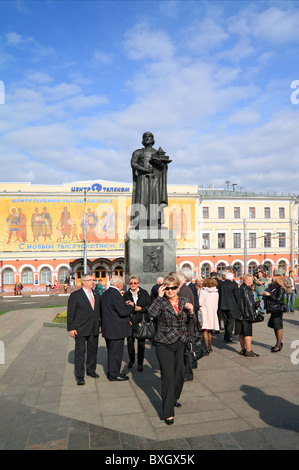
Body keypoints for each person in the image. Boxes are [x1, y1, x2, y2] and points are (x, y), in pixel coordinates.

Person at [148, 274, 194, 426]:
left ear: (178, 288)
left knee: (180, 375)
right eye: (168, 288)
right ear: (164, 288)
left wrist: (192, 312)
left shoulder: (184, 301)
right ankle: (168, 413)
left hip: (180, 341)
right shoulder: (160, 302)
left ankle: (173, 399)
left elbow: (191, 322)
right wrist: (159, 297)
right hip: (164, 343)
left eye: (173, 288)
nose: (171, 290)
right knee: (168, 377)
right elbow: (151, 314)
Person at [131, 132, 171, 228]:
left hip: (155, 180)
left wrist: (161, 164)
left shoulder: (157, 153)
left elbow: (163, 167)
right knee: (142, 199)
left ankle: (155, 221)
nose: (147, 138)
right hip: (142, 179)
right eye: (145, 137)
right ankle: (141, 221)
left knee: (154, 200)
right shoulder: (137, 152)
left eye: (150, 137)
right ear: (142, 140)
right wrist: (144, 169)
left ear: (153, 140)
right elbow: (133, 164)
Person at [67, 273, 101, 385]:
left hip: (94, 328)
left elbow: (97, 312)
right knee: (80, 353)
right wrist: (71, 328)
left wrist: (100, 325)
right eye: (90, 280)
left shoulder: (96, 294)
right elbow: (70, 313)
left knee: (93, 351)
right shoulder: (76, 295)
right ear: (83, 282)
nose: (93, 282)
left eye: (93, 280)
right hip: (80, 328)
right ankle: (80, 376)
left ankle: (91, 370)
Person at [100, 276, 134, 381]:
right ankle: (114, 374)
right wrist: (130, 306)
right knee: (116, 353)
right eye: (122, 284)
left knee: (111, 351)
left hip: (109, 328)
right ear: (119, 284)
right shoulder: (115, 294)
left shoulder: (105, 293)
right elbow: (122, 312)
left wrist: (124, 304)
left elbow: (112, 308)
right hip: (116, 329)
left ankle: (112, 372)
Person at [123, 275, 151, 372]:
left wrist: (141, 309)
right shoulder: (126, 294)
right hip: (130, 321)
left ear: (138, 283)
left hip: (141, 321)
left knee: (141, 343)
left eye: (135, 283)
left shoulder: (144, 293)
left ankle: (140, 363)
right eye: (131, 283)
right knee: (130, 342)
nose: (133, 285)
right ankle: (131, 360)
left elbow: (149, 306)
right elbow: (123, 308)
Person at [236, 274, 260, 357]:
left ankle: (243, 349)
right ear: (244, 280)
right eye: (248, 280)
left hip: (239, 314)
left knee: (241, 333)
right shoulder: (247, 289)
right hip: (246, 314)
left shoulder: (240, 288)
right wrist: (256, 304)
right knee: (247, 333)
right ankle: (248, 351)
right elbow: (249, 303)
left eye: (251, 280)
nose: (250, 281)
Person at [264, 274, 286, 352]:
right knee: (275, 326)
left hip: (278, 309)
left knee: (278, 326)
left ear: (277, 280)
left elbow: (279, 299)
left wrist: (269, 295)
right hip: (274, 309)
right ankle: (278, 342)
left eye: (273, 279)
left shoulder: (280, 288)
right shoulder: (273, 287)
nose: (272, 280)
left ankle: (279, 344)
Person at [217, 272, 240, 342]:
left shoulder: (220, 284)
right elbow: (237, 295)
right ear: (232, 278)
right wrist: (239, 304)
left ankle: (227, 335)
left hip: (222, 305)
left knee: (225, 320)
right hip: (232, 305)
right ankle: (228, 335)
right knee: (231, 320)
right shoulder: (234, 284)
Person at [199, 277, 219, 354]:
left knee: (205, 330)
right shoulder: (216, 292)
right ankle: (210, 346)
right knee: (210, 330)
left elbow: (200, 302)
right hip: (213, 312)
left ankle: (206, 348)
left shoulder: (203, 291)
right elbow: (216, 303)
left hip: (205, 311)